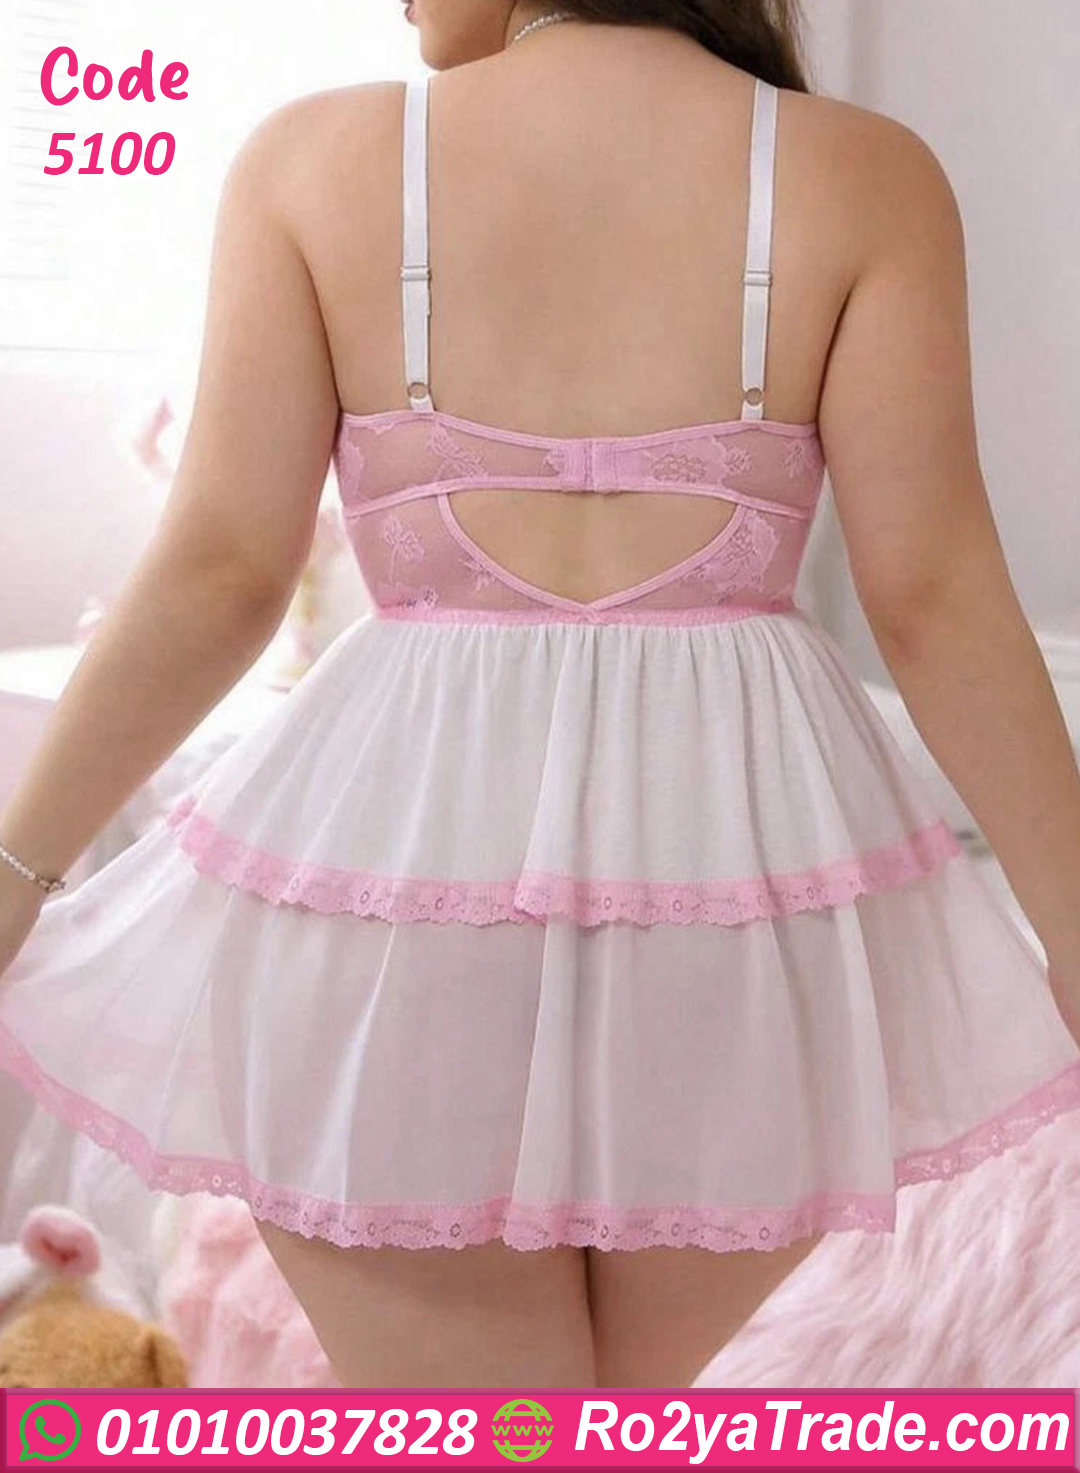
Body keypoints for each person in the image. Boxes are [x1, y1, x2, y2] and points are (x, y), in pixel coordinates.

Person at [2, 0, 1080, 1392]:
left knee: (498, 1422)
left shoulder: (312, 161)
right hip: (740, 906)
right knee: (595, 1416)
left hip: (402, 880)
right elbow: (932, 596)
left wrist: (18, 868)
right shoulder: (863, 174)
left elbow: (219, 573)